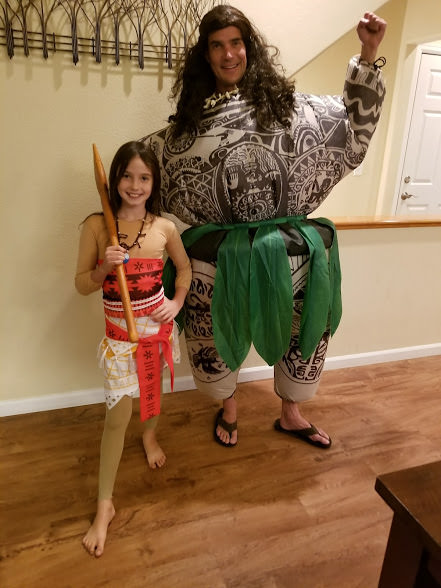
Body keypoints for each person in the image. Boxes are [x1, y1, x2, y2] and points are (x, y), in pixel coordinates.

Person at [143, 6, 387, 449]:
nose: (228, 54)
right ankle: (229, 408)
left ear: (249, 48)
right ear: (206, 56)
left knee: (301, 331)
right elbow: (148, 167)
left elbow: (351, 126)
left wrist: (368, 54)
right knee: (219, 331)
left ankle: (291, 413)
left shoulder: (290, 108)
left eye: (235, 43)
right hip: (220, 255)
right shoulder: (189, 126)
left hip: (291, 248)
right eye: (217, 46)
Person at [75, 141, 191, 557]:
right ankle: (105, 504)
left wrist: (176, 303)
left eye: (144, 177)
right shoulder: (96, 226)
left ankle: (151, 435)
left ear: (154, 182)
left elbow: (185, 268)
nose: (135, 185)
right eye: (127, 175)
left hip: (156, 330)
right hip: (120, 338)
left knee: (152, 391)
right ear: (114, 179)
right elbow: (82, 284)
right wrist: (104, 267)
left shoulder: (165, 228)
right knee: (117, 417)